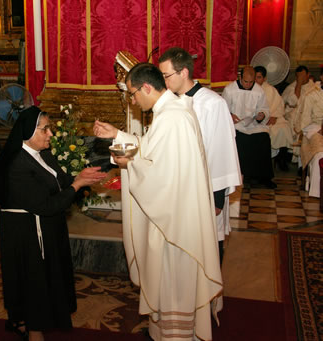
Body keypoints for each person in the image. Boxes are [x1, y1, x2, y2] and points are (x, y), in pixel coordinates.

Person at [93, 63, 222, 341]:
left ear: (147, 87)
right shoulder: (171, 111)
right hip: (175, 215)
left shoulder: (172, 118)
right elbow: (154, 151)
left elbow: (163, 177)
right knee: (169, 279)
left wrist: (129, 163)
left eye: (133, 94)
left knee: (174, 279)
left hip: (175, 224)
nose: (133, 100)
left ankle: (179, 336)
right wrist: (118, 134)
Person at [0, 106, 106, 341]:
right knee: (33, 280)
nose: (50, 134)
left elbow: (61, 182)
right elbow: (45, 205)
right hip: (26, 234)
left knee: (48, 278)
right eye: (45, 129)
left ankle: (33, 320)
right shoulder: (17, 164)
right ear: (28, 132)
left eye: (49, 128)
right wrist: (77, 185)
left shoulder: (43, 154)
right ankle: (34, 330)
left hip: (46, 228)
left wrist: (79, 179)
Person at [158, 47, 241, 264]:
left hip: (206, 191)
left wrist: (217, 199)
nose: (164, 82)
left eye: (167, 76)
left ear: (183, 72)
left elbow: (222, 152)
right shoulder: (169, 104)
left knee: (208, 250)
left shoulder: (213, 104)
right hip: (179, 191)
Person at [222, 66, 276, 188]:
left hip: (253, 124)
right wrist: (230, 115)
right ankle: (243, 175)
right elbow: (223, 109)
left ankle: (262, 177)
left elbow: (264, 108)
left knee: (263, 138)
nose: (248, 85)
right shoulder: (230, 90)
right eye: (246, 81)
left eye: (251, 82)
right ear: (240, 77)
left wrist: (262, 115)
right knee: (239, 140)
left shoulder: (259, 90)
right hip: (237, 125)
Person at [254, 66, 293, 171]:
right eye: (255, 77)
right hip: (256, 120)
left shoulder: (271, 90)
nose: (256, 80)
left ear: (264, 78)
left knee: (284, 128)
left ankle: (282, 159)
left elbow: (279, 105)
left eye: (259, 77)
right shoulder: (250, 89)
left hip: (272, 117)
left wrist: (275, 116)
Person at [294, 66, 323, 197]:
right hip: (314, 128)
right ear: (321, 77)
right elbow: (304, 122)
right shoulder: (311, 95)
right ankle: (318, 192)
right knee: (320, 155)